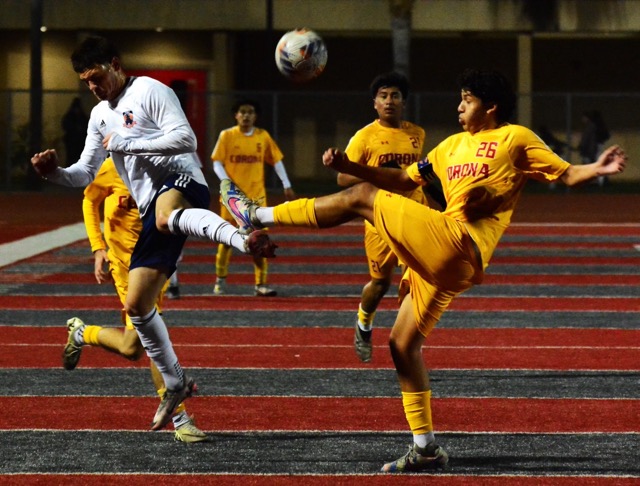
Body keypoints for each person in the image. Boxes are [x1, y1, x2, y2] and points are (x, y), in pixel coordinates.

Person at [219, 68, 627, 473]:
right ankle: (425, 448)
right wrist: (352, 166)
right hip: (445, 259)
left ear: (491, 106)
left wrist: (597, 168)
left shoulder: (514, 138)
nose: (460, 106)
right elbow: (401, 178)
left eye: (468, 99)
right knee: (401, 345)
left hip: (459, 244)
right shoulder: (449, 147)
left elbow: (567, 173)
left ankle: (256, 213)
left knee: (361, 200)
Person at [31, 35, 276, 431]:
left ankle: (240, 237)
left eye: (96, 77)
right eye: (85, 83)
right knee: (137, 307)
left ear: (115, 63)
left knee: (165, 216)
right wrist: (53, 174)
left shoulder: (148, 90)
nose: (93, 88)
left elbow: (187, 139)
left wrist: (132, 142)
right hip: (152, 214)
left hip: (183, 179)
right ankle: (176, 382)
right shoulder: (99, 116)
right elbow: (85, 175)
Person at [64, 157, 206, 442]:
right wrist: (97, 246)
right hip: (126, 266)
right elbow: (90, 200)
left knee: (132, 348)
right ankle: (180, 420)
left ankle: (81, 333)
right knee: (152, 336)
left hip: (152, 264)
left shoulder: (166, 167)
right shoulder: (113, 166)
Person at [337, 71, 434, 363]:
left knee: (416, 278)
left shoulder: (417, 133)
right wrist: (379, 174)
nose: (389, 101)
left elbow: (418, 174)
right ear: (375, 103)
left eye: (395, 95)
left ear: (404, 102)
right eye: (383, 96)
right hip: (379, 219)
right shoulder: (364, 137)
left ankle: (406, 343)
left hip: (414, 215)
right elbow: (343, 178)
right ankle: (364, 323)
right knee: (380, 284)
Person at [211, 98, 295, 297]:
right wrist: (227, 185)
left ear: (255, 116)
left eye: (250, 112)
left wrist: (286, 184)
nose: (246, 115)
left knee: (260, 242)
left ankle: (261, 283)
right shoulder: (227, 136)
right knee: (225, 240)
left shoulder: (262, 136)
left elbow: (277, 161)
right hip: (232, 200)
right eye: (242, 111)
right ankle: (220, 280)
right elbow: (217, 163)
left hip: (256, 200)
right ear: (236, 115)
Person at [577, 110, 610, 186]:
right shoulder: (596, 126)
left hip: (592, 149)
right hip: (595, 148)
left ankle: (599, 182)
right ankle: (597, 182)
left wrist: (583, 147)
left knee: (593, 164)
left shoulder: (591, 126)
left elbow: (587, 139)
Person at [61, 97, 89, 165]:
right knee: (72, 158)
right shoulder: (73, 117)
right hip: (73, 141)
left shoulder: (81, 117)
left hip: (78, 141)